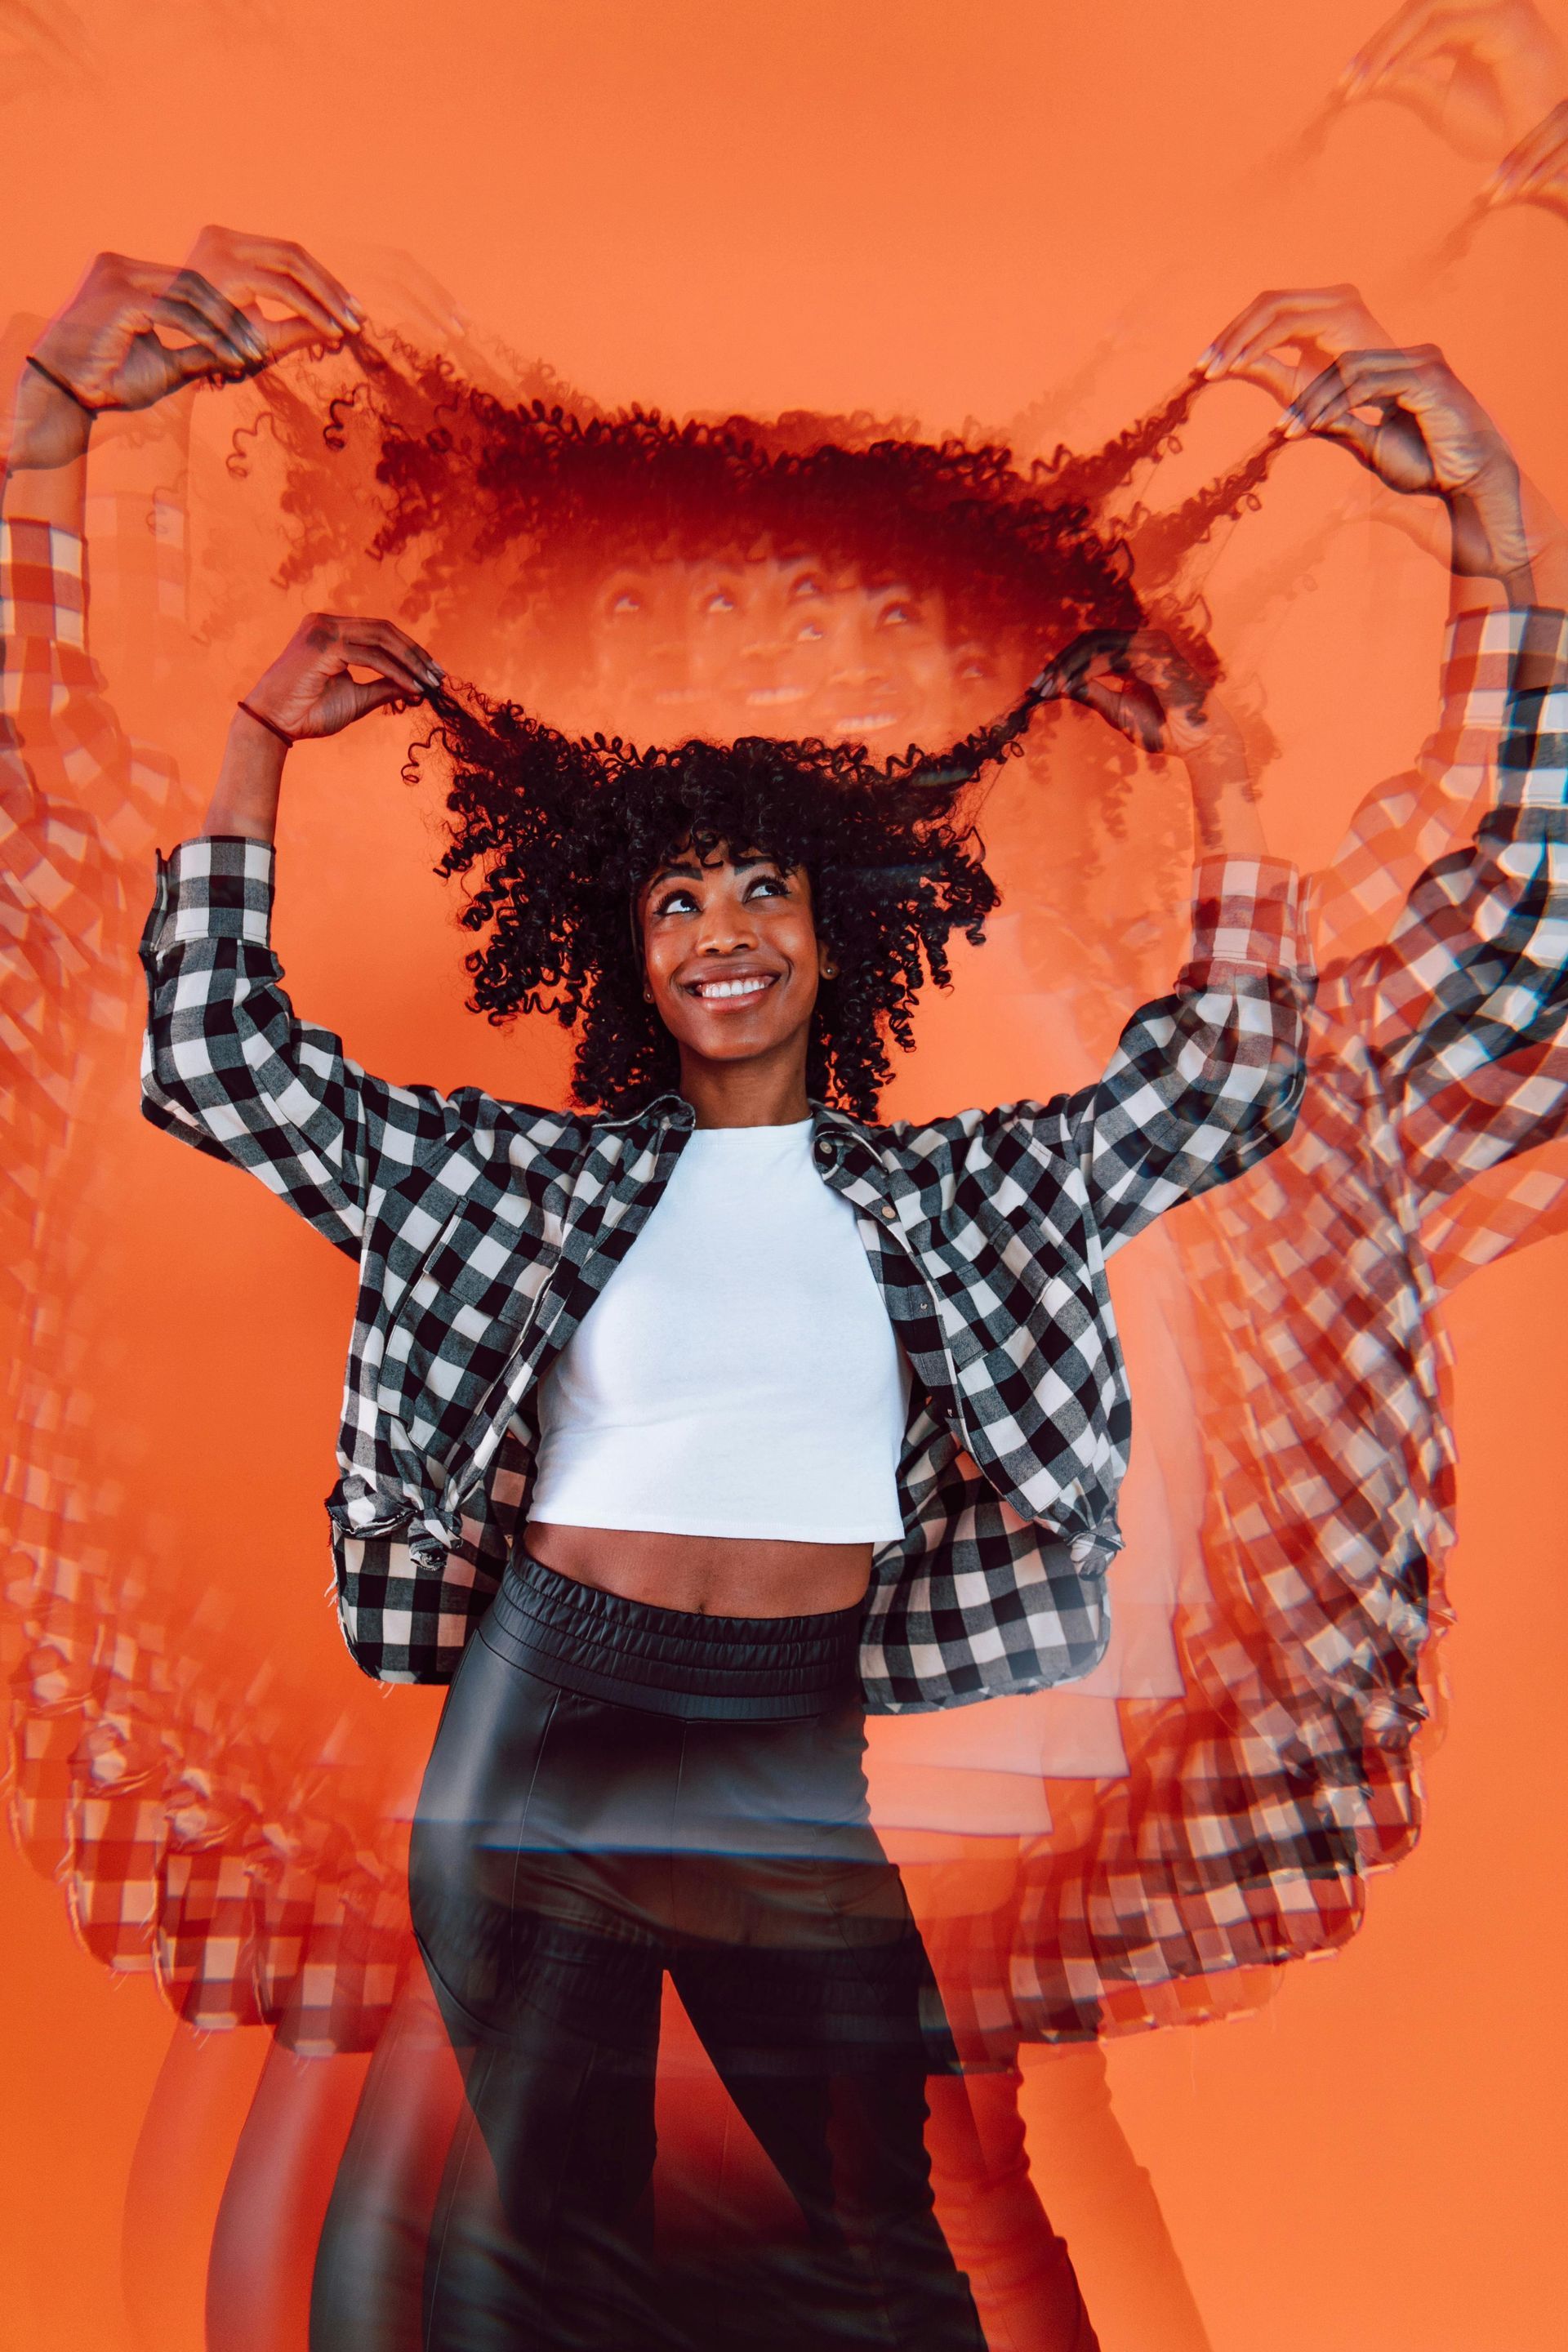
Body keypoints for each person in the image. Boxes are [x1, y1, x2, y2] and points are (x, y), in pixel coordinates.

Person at [132, 457, 1311, 2340]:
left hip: (788, 1735)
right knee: (538, 2231)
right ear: (635, 954)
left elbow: (1230, 1083)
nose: (723, 927)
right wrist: (257, 751)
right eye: (679, 900)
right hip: (549, 1707)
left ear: (837, 932)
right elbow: (215, 1061)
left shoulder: (965, 1190)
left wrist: (1226, 790)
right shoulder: (508, 1177)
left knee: (881, 2235)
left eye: (765, 887)